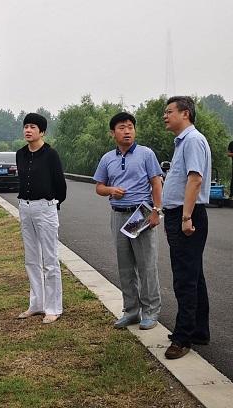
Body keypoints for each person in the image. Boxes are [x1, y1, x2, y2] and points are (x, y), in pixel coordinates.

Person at [93, 112, 164, 331]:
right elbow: (99, 187)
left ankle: (150, 311)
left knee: (146, 265)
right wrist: (111, 190)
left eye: (130, 127)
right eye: (122, 127)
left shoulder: (145, 154)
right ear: (113, 132)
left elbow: (156, 182)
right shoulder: (107, 158)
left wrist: (156, 211)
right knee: (125, 266)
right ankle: (131, 311)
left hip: (141, 215)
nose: (127, 131)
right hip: (118, 214)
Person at [160, 96, 212, 360]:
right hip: (181, 214)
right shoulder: (184, 142)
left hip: (187, 215)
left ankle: (183, 338)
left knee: (184, 278)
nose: (165, 116)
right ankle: (198, 330)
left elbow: (195, 179)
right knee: (194, 275)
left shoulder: (192, 140)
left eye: (169, 112)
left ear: (186, 113)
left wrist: (185, 216)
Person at [15, 113, 67, 324]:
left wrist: (52, 204)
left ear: (42, 132)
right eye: (26, 126)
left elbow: (60, 186)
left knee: (50, 260)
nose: (28, 130)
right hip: (24, 208)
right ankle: (36, 304)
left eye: (33, 127)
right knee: (31, 258)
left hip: (45, 208)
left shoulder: (50, 154)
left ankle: (53, 307)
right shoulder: (20, 154)